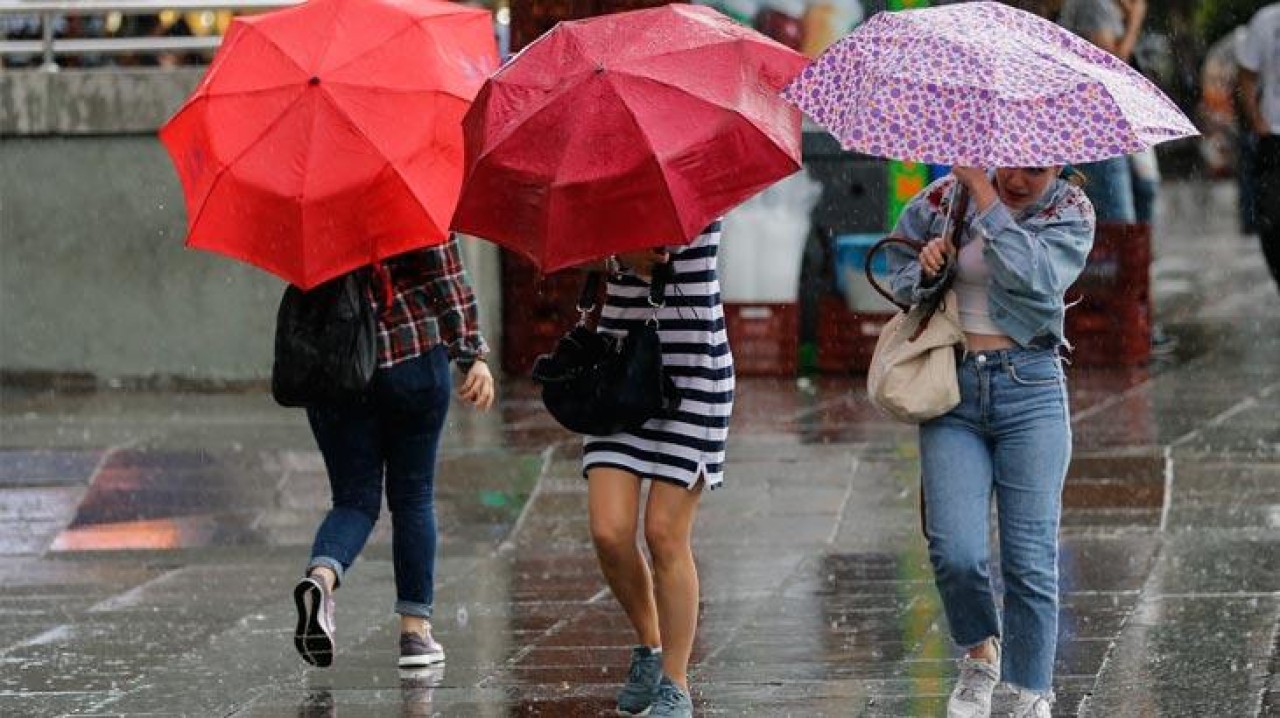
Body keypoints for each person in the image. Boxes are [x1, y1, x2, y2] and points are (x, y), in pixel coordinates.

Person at [885, 167, 1095, 718]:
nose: (1021, 180)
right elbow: (897, 270)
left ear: (1059, 161)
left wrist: (985, 195)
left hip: (1031, 389)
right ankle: (980, 655)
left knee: (1029, 558)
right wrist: (927, 269)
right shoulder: (942, 198)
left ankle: (1030, 690)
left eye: (1038, 169)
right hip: (952, 389)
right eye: (1013, 166)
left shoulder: (1069, 210)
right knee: (955, 552)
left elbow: (1036, 277)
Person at [291, 235, 496, 670]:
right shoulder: (410, 202)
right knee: (413, 498)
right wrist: (472, 353)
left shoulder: (311, 210)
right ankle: (415, 634)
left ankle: (321, 578)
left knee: (353, 500)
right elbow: (446, 276)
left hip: (339, 369)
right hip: (411, 356)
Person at [583, 222, 733, 718]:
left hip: (694, 374)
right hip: (620, 371)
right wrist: (619, 257)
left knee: (664, 533)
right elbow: (566, 258)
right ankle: (649, 646)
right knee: (609, 531)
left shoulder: (697, 181)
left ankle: (675, 680)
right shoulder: (598, 189)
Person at [1057, 0, 1147, 223]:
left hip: (1099, 123)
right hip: (1096, 125)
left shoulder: (1105, 6)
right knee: (1119, 220)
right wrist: (1135, 20)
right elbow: (1111, 64)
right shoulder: (1094, 4)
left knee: (1141, 193)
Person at [1237, 3, 1280, 292]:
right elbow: (1247, 73)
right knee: (1272, 222)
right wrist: (1256, 119)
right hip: (1274, 137)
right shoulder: (1266, 21)